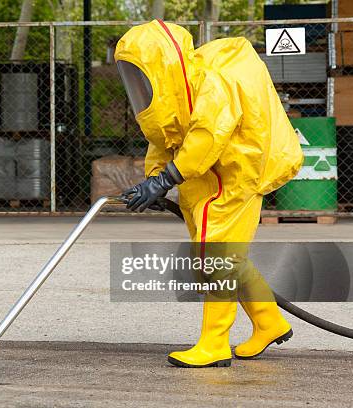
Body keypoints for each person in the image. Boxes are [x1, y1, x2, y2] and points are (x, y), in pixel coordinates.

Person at [115, 20, 304, 367]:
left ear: (163, 66)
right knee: (227, 257)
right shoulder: (173, 94)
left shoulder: (210, 84)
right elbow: (163, 139)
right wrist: (154, 179)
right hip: (208, 177)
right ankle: (269, 322)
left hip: (238, 175)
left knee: (214, 257)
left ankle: (215, 344)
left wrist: (164, 180)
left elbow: (208, 136)